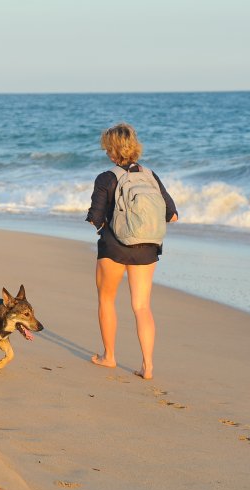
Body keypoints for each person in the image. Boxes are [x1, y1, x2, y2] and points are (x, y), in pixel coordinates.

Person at [85, 123, 178, 380]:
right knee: (141, 306)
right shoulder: (150, 175)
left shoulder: (106, 177)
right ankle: (147, 366)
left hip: (114, 246)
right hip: (147, 247)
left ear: (111, 149)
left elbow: (95, 217)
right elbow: (172, 215)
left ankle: (109, 357)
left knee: (106, 300)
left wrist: (107, 224)